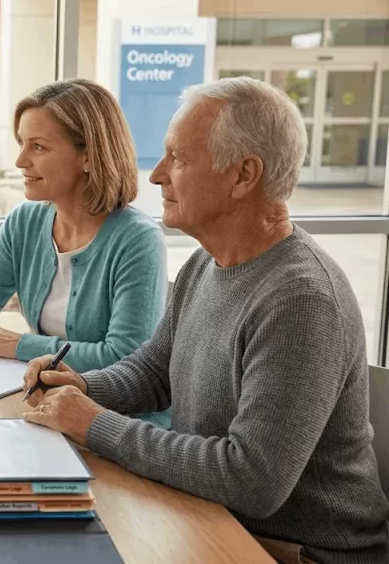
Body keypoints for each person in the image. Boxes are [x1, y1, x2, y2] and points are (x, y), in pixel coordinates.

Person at [22, 77, 389, 563]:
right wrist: (85, 387)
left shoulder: (301, 301)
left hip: (296, 551)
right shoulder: (205, 264)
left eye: (179, 158)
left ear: (243, 176)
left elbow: (251, 479)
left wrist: (95, 425)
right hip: (211, 516)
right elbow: (154, 373)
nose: (156, 177)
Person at [0, 79, 168, 425]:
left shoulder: (137, 240)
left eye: (38, 147)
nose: (21, 160)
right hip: (51, 409)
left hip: (119, 425)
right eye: (22, 143)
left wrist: (23, 346)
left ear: (88, 156)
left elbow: (124, 357)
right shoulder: (25, 221)